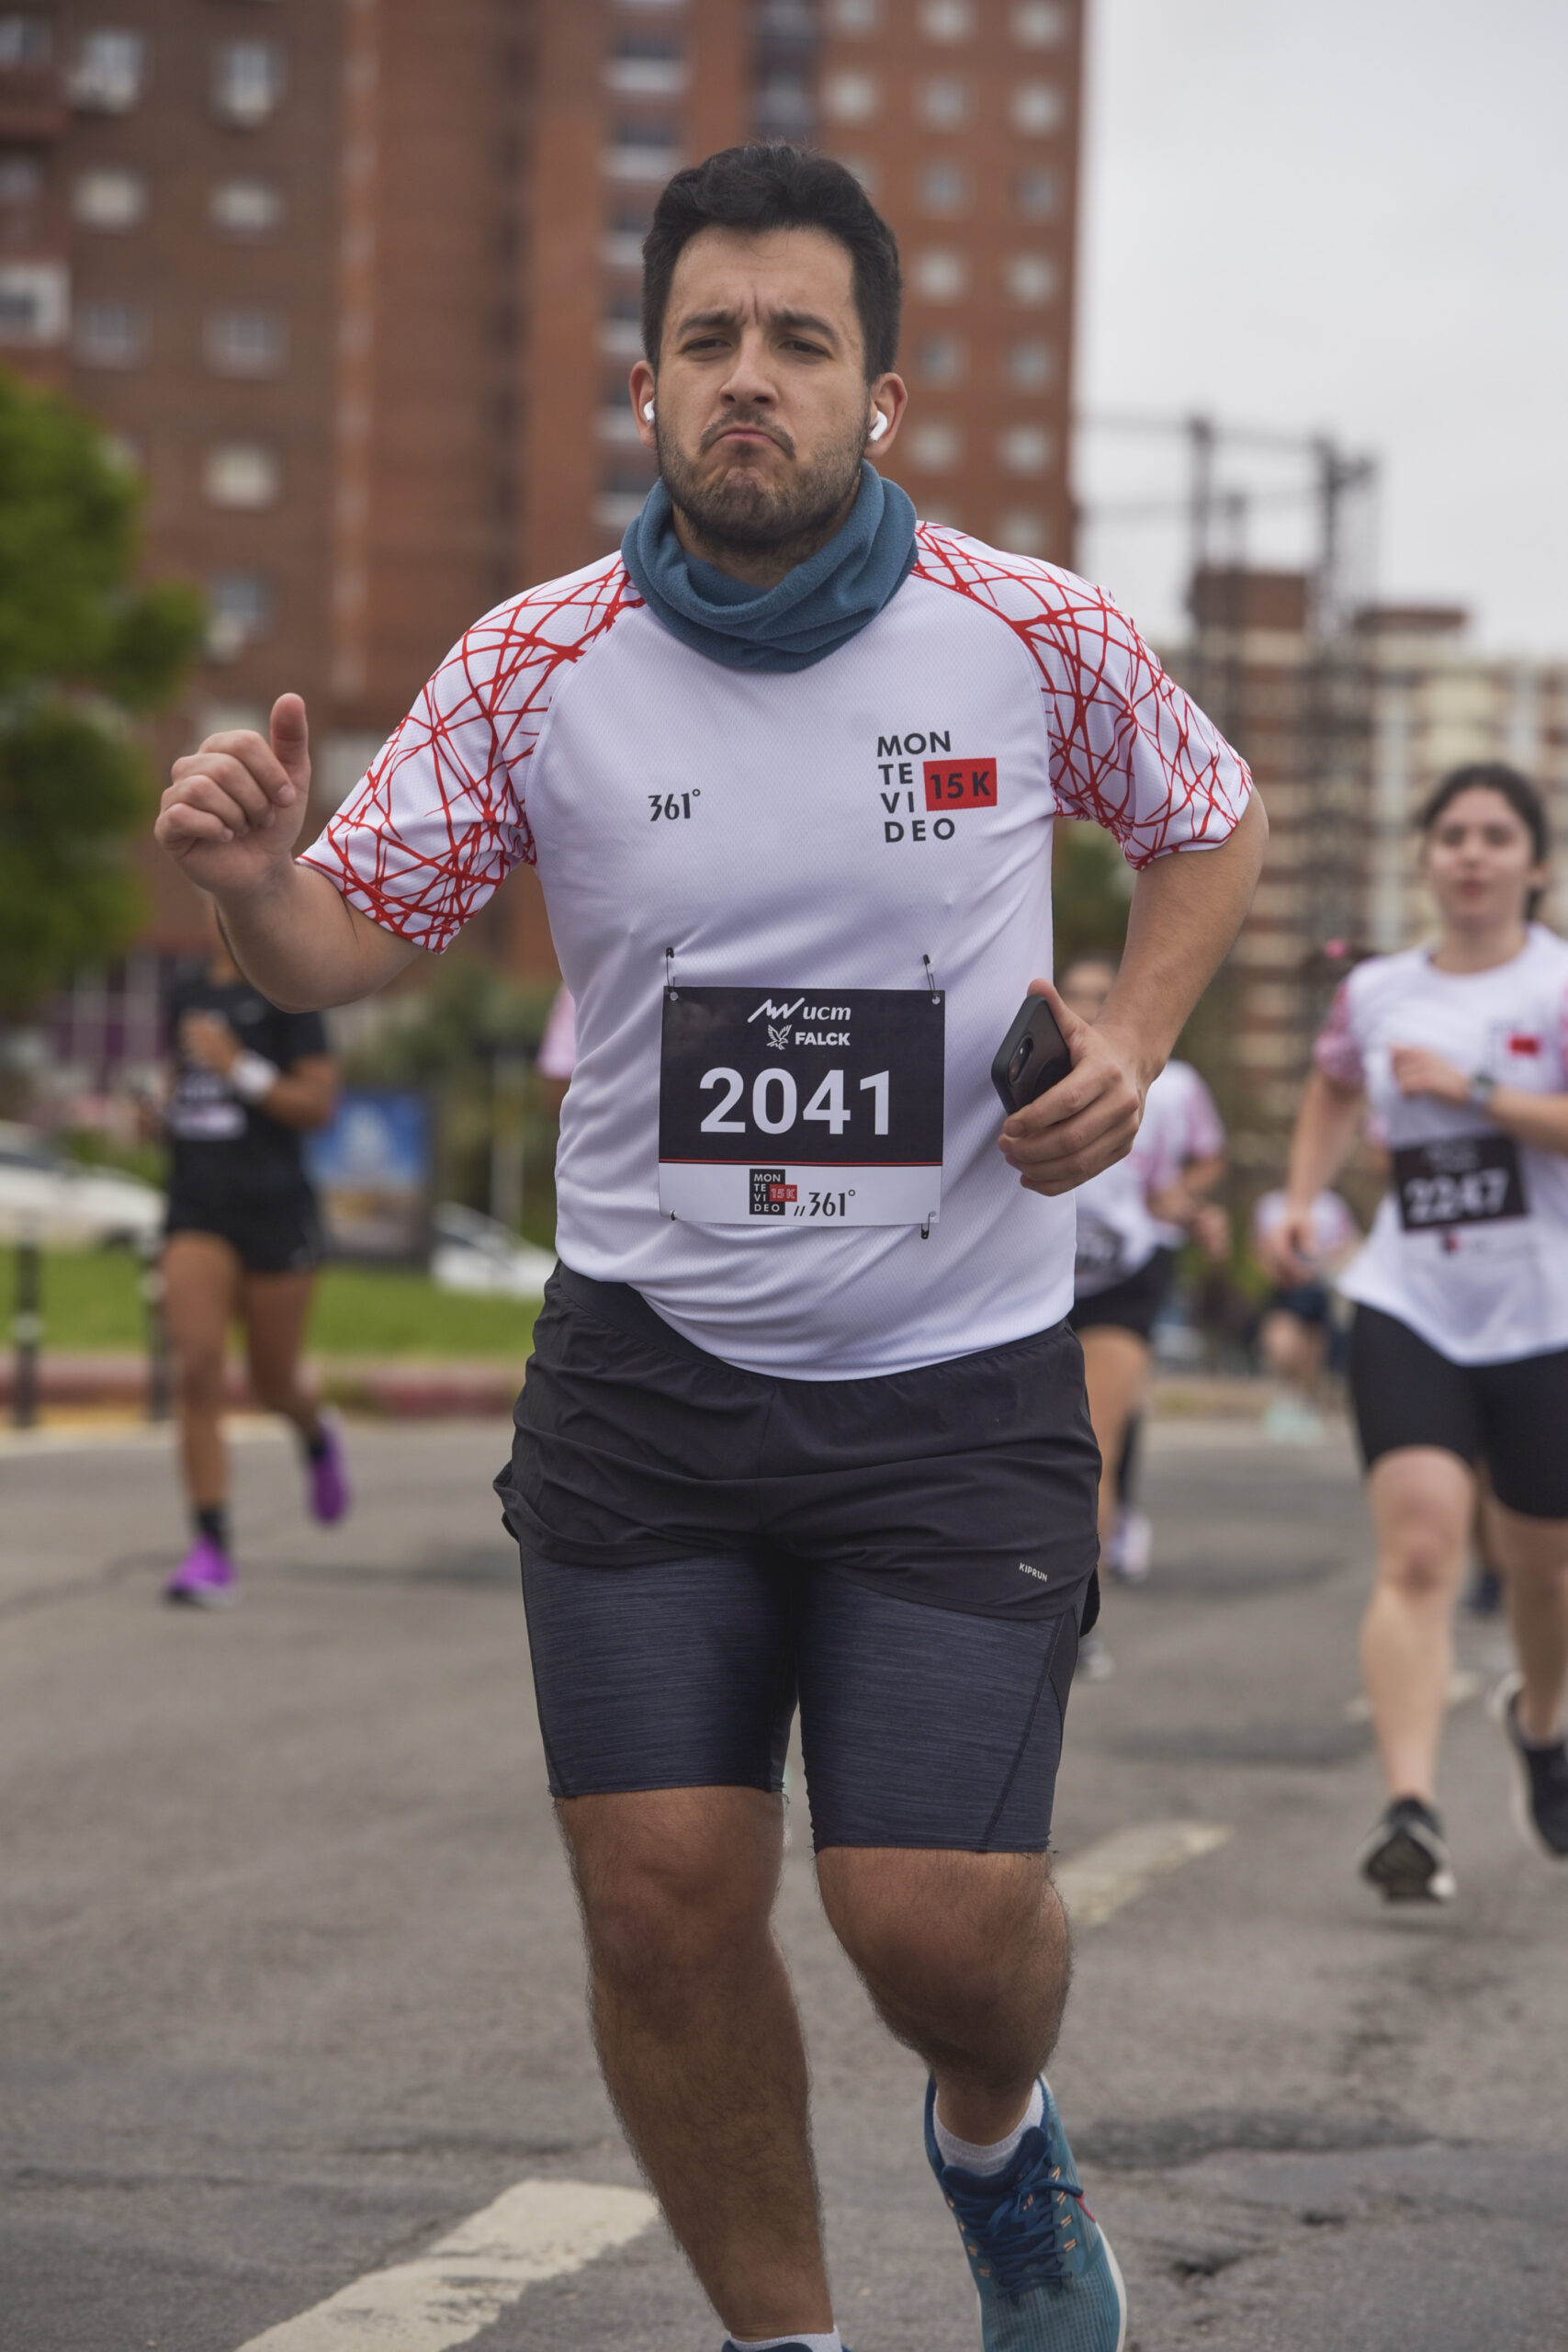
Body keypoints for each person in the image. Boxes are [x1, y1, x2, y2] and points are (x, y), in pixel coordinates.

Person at [154, 146, 1263, 2352]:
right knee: (661, 1904)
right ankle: (785, 2333)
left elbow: (1204, 819)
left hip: (952, 1380)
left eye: (798, 342)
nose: (750, 377)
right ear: (646, 384)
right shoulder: (533, 661)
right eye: (708, 340)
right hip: (647, 1373)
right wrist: (255, 885)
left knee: (931, 1920)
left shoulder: (1028, 632)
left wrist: (1133, 1035)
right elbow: (345, 937)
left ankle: (996, 2131)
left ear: (880, 392)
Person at [1272, 763, 1568, 1902]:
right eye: (1452, 835)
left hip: (1542, 1311)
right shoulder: (1378, 990)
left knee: (1544, 1569)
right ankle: (1411, 1808)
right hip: (1413, 1301)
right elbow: (1333, 1086)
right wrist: (1303, 1198)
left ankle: (1540, 1721)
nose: (1472, 853)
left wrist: (1474, 1087)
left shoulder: (1553, 984)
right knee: (1422, 1550)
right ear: (1425, 857)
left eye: (1497, 835)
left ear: (1535, 865)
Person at [156, 914, 349, 1606]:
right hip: (195, 1208)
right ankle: (210, 1548)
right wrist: (153, 1111)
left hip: (274, 1209)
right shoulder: (184, 996)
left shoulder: (291, 994)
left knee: (272, 1383)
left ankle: (314, 1433)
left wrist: (237, 1065)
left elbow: (317, 1104)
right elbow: (181, 1090)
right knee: (197, 1367)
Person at [1062, 954, 1226, 1610]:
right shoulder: (1028, 1069)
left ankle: (1082, 1613)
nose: (1088, 1006)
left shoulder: (1174, 1084)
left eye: (1101, 994)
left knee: (1093, 1441)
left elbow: (1205, 1159)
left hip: (1126, 1270)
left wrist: (1181, 1199)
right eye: (1075, 993)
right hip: (1040, 1277)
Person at [1249, 1184, 1359, 1442]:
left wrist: (1322, 1265)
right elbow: (1258, 1249)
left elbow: (1348, 1245)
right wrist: (1278, 1269)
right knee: (1281, 1342)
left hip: (1320, 1286)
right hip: (1285, 1288)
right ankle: (1288, 1398)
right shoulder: (1270, 1204)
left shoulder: (1334, 1205)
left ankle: (1307, 1405)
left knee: (1314, 1351)